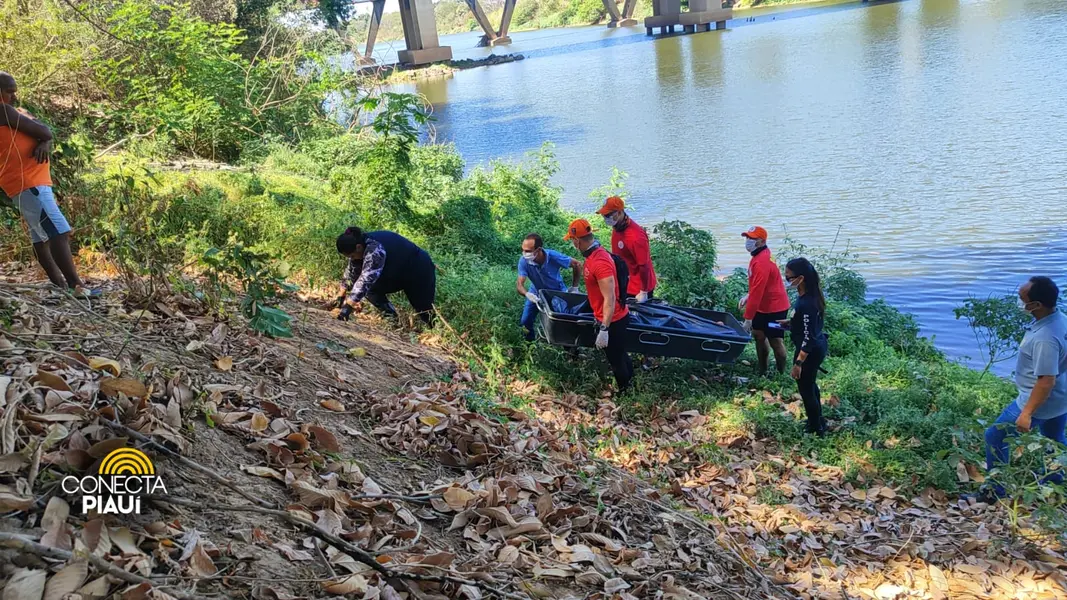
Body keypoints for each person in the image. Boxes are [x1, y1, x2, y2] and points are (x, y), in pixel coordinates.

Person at [0, 72, 95, 297]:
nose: (14, 96)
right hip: (29, 182)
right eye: (9, 91)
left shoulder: (10, 112)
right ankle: (75, 286)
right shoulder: (3, 110)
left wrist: (46, 140)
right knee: (58, 231)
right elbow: (44, 129)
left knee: (40, 236)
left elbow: (41, 128)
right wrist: (45, 137)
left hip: (23, 183)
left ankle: (60, 285)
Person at [979, 276, 1067, 499]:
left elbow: (1046, 380)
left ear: (1036, 305)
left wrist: (1026, 413)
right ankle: (1056, 478)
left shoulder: (1045, 338)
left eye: (1021, 298)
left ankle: (995, 490)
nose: (1018, 302)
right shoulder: (1061, 321)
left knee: (995, 437)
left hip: (1039, 400)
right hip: (1061, 397)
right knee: (1054, 439)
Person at [564, 218, 633, 392]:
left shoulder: (600, 262)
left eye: (572, 240)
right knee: (620, 355)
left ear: (577, 240)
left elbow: (609, 298)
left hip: (614, 320)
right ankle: (630, 386)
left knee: (616, 360)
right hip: (608, 316)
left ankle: (626, 393)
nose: (573, 244)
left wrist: (604, 329)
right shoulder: (593, 255)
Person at [335, 227, 436, 326]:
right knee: (370, 290)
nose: (352, 259)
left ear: (358, 247)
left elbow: (366, 279)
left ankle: (434, 328)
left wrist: (348, 306)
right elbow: (352, 270)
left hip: (419, 269)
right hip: (397, 271)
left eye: (352, 256)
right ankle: (393, 319)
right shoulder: (359, 246)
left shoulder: (374, 250)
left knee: (423, 308)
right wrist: (341, 293)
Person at [780, 258, 830, 435]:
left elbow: (809, 337)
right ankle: (818, 420)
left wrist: (798, 363)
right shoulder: (807, 296)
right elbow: (808, 324)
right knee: (810, 384)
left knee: (806, 389)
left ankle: (816, 428)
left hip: (809, 351)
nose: (787, 281)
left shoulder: (808, 302)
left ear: (801, 278)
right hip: (814, 346)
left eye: (788, 278)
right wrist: (791, 322)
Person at [739, 226, 791, 375]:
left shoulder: (762, 261)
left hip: (776, 308)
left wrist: (748, 319)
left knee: (776, 340)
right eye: (747, 238)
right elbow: (759, 285)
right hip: (761, 306)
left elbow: (758, 290)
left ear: (761, 241)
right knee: (759, 335)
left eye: (752, 238)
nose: (748, 241)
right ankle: (762, 370)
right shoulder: (759, 255)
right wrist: (749, 295)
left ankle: (782, 373)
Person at [516, 233, 581, 342]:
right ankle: (528, 346)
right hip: (536, 292)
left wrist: (574, 287)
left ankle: (570, 349)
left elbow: (577, 264)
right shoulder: (524, 261)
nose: (524, 254)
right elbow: (519, 284)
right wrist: (527, 294)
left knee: (564, 322)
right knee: (525, 321)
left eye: (528, 251)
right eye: (523, 250)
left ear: (538, 250)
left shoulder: (553, 256)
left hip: (557, 292)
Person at [595, 196, 657, 303]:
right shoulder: (617, 227)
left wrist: (643, 291)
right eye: (604, 215)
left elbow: (644, 266)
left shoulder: (636, 237)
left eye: (608, 215)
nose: (605, 218)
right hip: (625, 281)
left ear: (619, 213)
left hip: (637, 288)